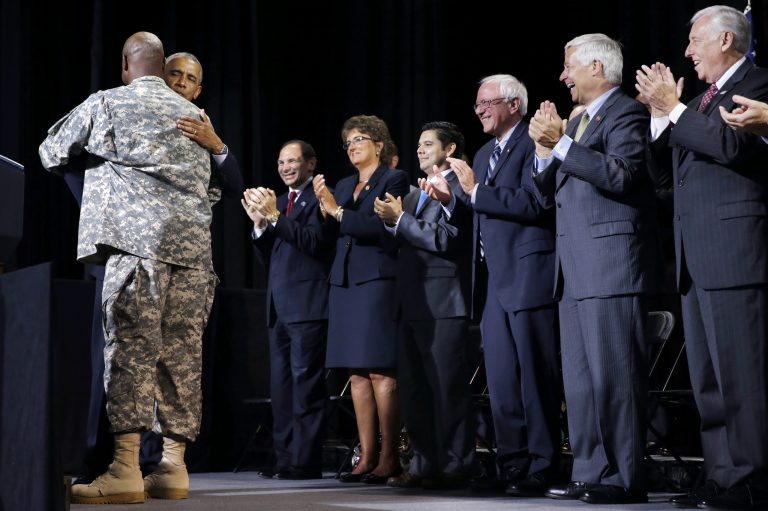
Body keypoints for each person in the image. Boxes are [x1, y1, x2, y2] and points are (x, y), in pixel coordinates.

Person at [39, 32, 218, 504]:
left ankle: (124, 470)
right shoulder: (197, 118)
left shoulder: (109, 102)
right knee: (181, 358)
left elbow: (50, 150)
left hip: (140, 249)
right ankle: (174, 468)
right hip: (197, 255)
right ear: (163, 69)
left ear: (126, 64)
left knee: (131, 353)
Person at [636, 5, 768, 509]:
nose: (687, 51)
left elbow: (736, 150)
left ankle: (753, 479)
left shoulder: (758, 83)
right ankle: (722, 475)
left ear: (727, 40)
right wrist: (658, 117)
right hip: (694, 258)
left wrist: (674, 109)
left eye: (695, 41)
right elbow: (667, 182)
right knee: (709, 380)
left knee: (743, 376)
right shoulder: (698, 100)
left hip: (736, 252)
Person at [529, 33, 661, 505]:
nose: (563, 76)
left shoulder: (624, 112)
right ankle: (590, 470)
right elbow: (546, 194)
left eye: (569, 67)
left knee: (615, 377)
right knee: (581, 383)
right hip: (573, 269)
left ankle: (624, 478)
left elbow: (623, 174)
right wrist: (545, 150)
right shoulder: (579, 120)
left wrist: (560, 144)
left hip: (609, 265)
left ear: (597, 70)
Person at [422, 74, 560, 497]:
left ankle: (543, 464)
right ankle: (512, 462)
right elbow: (477, 211)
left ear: (513, 105)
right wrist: (451, 201)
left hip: (528, 273)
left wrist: (475, 191)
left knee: (534, 376)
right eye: (477, 103)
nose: (479, 109)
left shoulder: (531, 143)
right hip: (492, 283)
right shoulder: (482, 153)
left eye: (487, 102)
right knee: (500, 378)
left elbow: (536, 202)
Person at [373, 121, 474, 489]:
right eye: (417, 144)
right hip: (411, 302)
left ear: (449, 149)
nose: (419, 149)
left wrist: (400, 220)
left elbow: (449, 240)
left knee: (447, 389)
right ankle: (423, 463)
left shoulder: (461, 185)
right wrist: (390, 219)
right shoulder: (415, 193)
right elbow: (401, 239)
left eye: (428, 143)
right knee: (415, 391)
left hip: (445, 302)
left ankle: (456, 465)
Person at [312, 115, 410, 484]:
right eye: (348, 141)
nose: (352, 146)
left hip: (377, 281)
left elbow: (382, 231)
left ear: (379, 145)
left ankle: (390, 456)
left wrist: (337, 211)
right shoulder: (345, 183)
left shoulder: (393, 179)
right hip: (345, 282)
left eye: (359, 139)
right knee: (355, 373)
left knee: (380, 370)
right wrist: (325, 212)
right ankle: (365, 456)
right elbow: (331, 234)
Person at [241, 140, 332, 480]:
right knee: (281, 389)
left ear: (311, 164)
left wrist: (275, 218)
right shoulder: (279, 203)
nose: (286, 167)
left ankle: (305, 460)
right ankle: (284, 457)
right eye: (281, 162)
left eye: (293, 161)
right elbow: (272, 259)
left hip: (309, 307)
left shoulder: (320, 197)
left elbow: (314, 243)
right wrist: (260, 226)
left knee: (306, 388)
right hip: (278, 307)